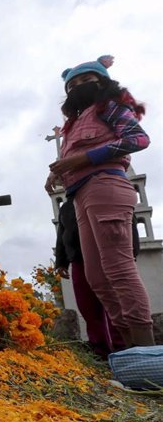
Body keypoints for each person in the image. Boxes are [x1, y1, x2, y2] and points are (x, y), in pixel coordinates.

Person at [45, 55, 154, 347]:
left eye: (86, 80)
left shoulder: (111, 108)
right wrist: (58, 173)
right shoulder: (73, 125)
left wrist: (86, 157)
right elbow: (71, 159)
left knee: (118, 268)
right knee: (96, 276)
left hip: (105, 184)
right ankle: (127, 348)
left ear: (102, 81)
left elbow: (138, 140)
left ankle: (145, 347)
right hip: (80, 196)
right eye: (72, 84)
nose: (79, 87)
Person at [55, 198, 140, 359]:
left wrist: (132, 251)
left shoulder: (102, 194)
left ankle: (123, 349)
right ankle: (100, 351)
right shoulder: (66, 207)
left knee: (114, 303)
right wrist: (61, 262)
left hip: (108, 255)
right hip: (79, 260)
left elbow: (129, 224)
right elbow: (62, 234)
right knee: (88, 307)